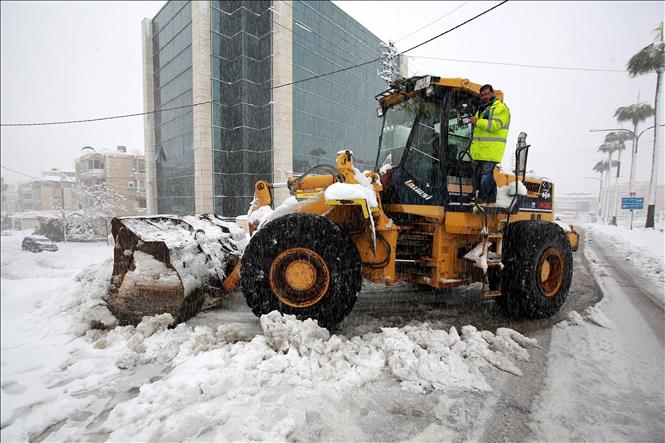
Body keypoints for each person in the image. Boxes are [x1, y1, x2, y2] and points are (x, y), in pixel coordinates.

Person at [468, 84, 510, 203]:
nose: (485, 96)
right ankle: (491, 198)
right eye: (482, 95)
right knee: (486, 175)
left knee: (486, 174)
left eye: (487, 94)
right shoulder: (482, 108)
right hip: (481, 151)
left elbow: (495, 126)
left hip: (492, 150)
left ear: (493, 93)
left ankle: (482, 198)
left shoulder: (500, 108)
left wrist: (477, 121)